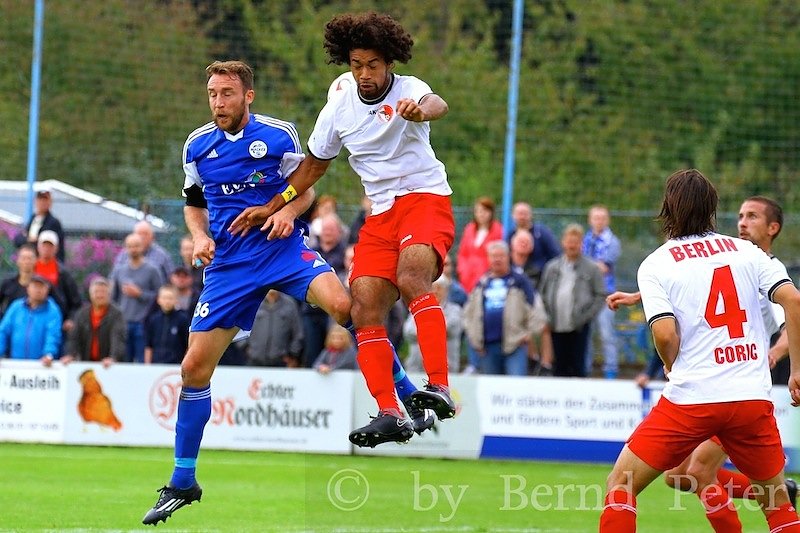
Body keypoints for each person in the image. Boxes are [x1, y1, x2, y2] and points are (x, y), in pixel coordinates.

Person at [143, 60, 431, 525]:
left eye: (228, 94)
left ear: (248, 96)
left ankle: (405, 397)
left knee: (348, 310)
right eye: (213, 94)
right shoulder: (196, 145)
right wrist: (199, 237)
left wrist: (285, 212)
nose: (219, 102)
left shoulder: (278, 136)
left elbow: (307, 191)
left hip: (281, 250)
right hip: (230, 268)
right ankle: (183, 480)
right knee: (193, 368)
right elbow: (193, 204)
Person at [229, 13, 458, 446]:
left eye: (373, 64)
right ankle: (391, 412)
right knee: (362, 309)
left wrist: (419, 110)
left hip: (424, 199)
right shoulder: (338, 108)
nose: (365, 73)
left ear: (389, 62)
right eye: (356, 65)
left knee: (412, 278)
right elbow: (314, 166)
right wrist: (272, 205)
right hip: (380, 215)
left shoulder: (410, 90)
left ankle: (440, 387)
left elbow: (437, 105)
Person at [599, 169, 800, 533]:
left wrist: (670, 364)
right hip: (750, 397)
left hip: (694, 397)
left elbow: (664, 333)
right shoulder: (747, 254)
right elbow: (793, 300)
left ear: (667, 208)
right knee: (776, 505)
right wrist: (798, 370)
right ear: (713, 209)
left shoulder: (657, 263)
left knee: (622, 486)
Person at [463, 240, 545, 375]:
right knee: (491, 390)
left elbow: (537, 309)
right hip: (487, 347)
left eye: (501, 256)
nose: (497, 259)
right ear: (488, 258)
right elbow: (467, 314)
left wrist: (528, 334)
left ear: (508, 257)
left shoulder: (520, 282)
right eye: (494, 256)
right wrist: (474, 339)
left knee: (515, 388)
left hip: (515, 345)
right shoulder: (481, 284)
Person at [539, 224, 606, 377]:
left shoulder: (591, 268)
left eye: (575, 242)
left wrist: (586, 317)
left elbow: (600, 295)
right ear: (563, 242)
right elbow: (542, 293)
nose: (572, 245)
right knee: (559, 368)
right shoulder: (552, 267)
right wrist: (546, 316)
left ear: (581, 244)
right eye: (569, 241)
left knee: (578, 366)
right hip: (556, 324)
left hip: (579, 326)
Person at [110, 233, 163, 364]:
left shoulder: (152, 270)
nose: (133, 249)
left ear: (142, 247)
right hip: (124, 322)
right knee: (124, 361)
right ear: (125, 248)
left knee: (141, 362)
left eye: (136, 246)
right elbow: (113, 297)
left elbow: (160, 296)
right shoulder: (119, 270)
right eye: (130, 246)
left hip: (144, 323)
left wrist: (140, 294)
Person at [582, 204, 622, 378]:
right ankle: (585, 370)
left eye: (602, 218)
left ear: (607, 220)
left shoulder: (612, 242)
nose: (599, 221)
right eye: (595, 218)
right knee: (586, 336)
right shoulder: (585, 240)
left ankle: (610, 371)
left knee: (607, 335)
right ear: (590, 220)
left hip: (606, 295)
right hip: (586, 295)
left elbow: (604, 267)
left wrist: (587, 266)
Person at [510, 229, 554, 375]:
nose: (523, 245)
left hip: (532, 304)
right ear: (512, 244)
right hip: (512, 305)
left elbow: (538, 292)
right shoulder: (507, 266)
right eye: (520, 241)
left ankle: (545, 364)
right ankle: (532, 357)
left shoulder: (536, 269)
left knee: (543, 323)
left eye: (527, 242)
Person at [61, 277, 126, 367]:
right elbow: (74, 337)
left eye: (103, 292)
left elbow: (118, 338)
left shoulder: (117, 314)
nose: (99, 295)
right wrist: (71, 355)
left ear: (109, 295)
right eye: (96, 292)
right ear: (90, 295)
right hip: (86, 361)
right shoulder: (82, 314)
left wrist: (113, 357)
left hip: (108, 365)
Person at [404, 274, 463, 373]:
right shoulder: (417, 309)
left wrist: (422, 330)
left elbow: (450, 328)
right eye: (432, 288)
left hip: (446, 368)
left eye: (439, 288)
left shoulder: (454, 310)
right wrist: (433, 330)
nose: (435, 291)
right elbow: (408, 331)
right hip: (416, 367)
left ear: (446, 291)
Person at [0, 274, 62, 365]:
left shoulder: (53, 310)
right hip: (14, 364)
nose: (38, 290)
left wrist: (49, 353)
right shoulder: (16, 307)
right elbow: (3, 331)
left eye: (41, 287)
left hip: (42, 365)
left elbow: (53, 334)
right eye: (35, 286)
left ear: (47, 290)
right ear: (28, 288)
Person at [34, 230, 82, 339]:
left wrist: (71, 319)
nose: (46, 249)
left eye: (50, 246)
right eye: (44, 245)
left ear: (56, 248)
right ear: (38, 247)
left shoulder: (63, 273)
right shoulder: (31, 269)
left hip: (58, 323)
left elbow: (76, 301)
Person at [243, 290, 304, 367]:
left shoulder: (290, 303)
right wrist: (244, 347)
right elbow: (238, 327)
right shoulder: (252, 301)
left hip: (280, 362)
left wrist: (292, 354)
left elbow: (298, 333)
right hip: (253, 360)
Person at [456, 196, 504, 294]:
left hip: (486, 275)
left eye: (485, 211)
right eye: (478, 211)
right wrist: (462, 270)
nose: (481, 214)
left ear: (491, 213)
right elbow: (462, 252)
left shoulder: (497, 230)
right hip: (467, 275)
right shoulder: (469, 228)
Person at [508, 201, 560, 287]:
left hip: (540, 280)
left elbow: (556, 255)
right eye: (519, 214)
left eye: (525, 213)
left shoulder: (541, 233)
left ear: (531, 215)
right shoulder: (510, 235)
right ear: (513, 215)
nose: (522, 217)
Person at [14, 188, 66, 262]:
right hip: (32, 263)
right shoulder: (33, 219)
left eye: (45, 200)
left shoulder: (53, 222)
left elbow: (47, 243)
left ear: (50, 202)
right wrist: (28, 239)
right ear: (36, 201)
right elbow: (18, 240)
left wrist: (32, 239)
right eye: (40, 200)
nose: (42, 203)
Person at [144, 285, 190, 365]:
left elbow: (188, 345)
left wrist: (184, 364)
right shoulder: (154, 320)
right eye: (164, 298)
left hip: (176, 365)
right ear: (158, 300)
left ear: (176, 300)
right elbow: (148, 345)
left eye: (170, 298)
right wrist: (147, 365)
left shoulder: (183, 319)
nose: (167, 301)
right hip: (156, 364)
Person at [0, 243, 37, 318]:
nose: (26, 262)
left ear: (36, 260)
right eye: (23, 258)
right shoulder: (7, 283)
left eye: (29, 258)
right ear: (18, 260)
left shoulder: (41, 285)